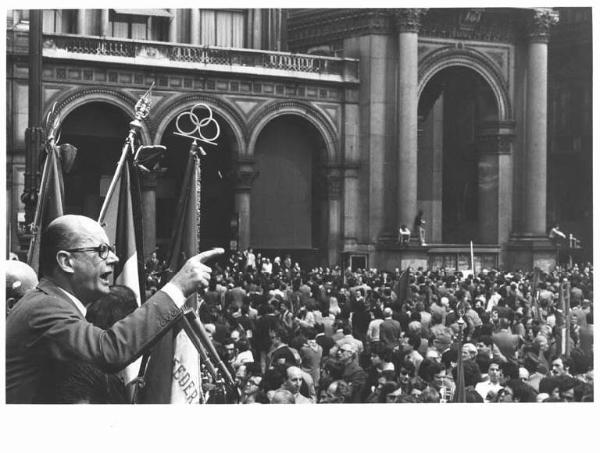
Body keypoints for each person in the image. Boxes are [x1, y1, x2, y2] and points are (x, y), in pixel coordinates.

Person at [6, 214, 223, 404]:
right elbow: (109, 350)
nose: (114, 258)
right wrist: (177, 288)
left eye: (111, 250)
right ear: (66, 262)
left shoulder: (51, 302)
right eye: (101, 250)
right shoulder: (45, 308)